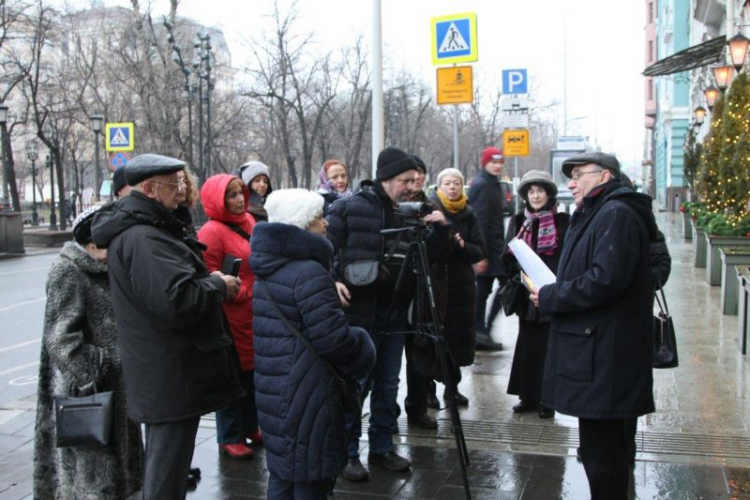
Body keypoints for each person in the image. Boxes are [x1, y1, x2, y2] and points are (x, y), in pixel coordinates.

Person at [91, 153, 243, 500]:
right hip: (168, 373)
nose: (181, 189)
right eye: (173, 183)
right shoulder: (145, 238)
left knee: (167, 467)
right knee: (165, 473)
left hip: (166, 371)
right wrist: (218, 285)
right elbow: (178, 301)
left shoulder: (150, 231)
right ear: (149, 189)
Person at [529, 152, 657, 500]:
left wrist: (553, 296)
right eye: (570, 176)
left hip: (606, 355)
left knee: (604, 456)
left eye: (579, 175)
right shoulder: (598, 212)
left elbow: (606, 279)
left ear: (604, 177)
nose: (571, 182)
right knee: (603, 452)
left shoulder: (615, 213)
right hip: (598, 349)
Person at [326, 147, 450, 482]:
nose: (413, 185)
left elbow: (432, 258)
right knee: (357, 384)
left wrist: (440, 229)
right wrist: (334, 278)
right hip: (361, 314)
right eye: (405, 180)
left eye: (415, 180)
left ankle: (381, 447)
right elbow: (325, 248)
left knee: (388, 384)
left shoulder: (415, 211)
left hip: (398, 314)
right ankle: (347, 453)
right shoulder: (349, 208)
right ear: (385, 180)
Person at [251, 189, 376, 499]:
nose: (326, 224)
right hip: (309, 395)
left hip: (275, 390)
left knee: (283, 474)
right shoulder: (309, 272)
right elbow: (334, 341)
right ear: (302, 226)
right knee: (312, 479)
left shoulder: (268, 267)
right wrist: (364, 345)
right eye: (319, 218)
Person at [33, 205, 143, 499]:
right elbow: (60, 338)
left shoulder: (110, 269)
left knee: (119, 477)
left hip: (116, 392)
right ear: (92, 242)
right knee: (90, 481)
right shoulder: (68, 270)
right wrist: (98, 367)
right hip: (87, 395)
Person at [198, 174, 261, 460]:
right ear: (217, 200)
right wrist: (244, 291)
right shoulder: (211, 232)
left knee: (252, 374)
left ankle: (251, 425)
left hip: (254, 314)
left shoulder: (249, 221)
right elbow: (209, 275)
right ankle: (230, 436)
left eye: (240, 193)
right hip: (229, 315)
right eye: (231, 195)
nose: (239, 200)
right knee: (232, 376)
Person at [501, 170, 570, 419]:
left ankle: (547, 398)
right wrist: (517, 271)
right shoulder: (519, 221)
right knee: (527, 344)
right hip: (526, 293)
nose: (536, 195)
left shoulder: (562, 221)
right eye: (531, 191)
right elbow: (507, 253)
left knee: (549, 346)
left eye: (540, 190)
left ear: (550, 194)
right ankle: (527, 396)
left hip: (552, 291)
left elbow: (567, 256)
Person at [429, 167, 487, 406]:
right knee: (432, 339)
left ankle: (452, 388)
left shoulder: (469, 214)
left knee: (457, 339)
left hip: (461, 286)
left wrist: (462, 246)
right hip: (436, 283)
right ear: (438, 187)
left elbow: (479, 251)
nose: (452, 187)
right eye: (447, 183)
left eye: (456, 183)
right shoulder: (431, 210)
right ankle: (428, 391)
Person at [468, 146, 506, 351]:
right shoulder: (484, 185)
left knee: (485, 290)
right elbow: (481, 221)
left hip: (494, 248)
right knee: (504, 285)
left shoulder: (492, 183)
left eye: (500, 162)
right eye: (494, 161)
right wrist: (481, 255)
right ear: (485, 162)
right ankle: (482, 331)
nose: (498, 165)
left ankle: (482, 332)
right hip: (489, 250)